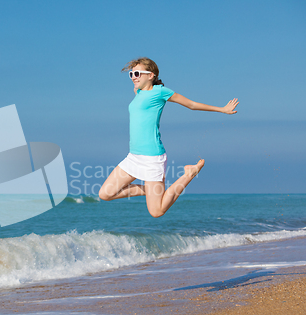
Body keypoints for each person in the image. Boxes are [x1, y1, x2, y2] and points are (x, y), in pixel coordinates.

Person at [98, 57, 238, 217]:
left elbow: (191, 105)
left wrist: (222, 109)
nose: (133, 77)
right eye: (131, 74)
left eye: (137, 73)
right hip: (133, 157)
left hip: (152, 158)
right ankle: (150, 191)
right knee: (105, 193)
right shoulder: (138, 92)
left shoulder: (160, 92)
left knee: (156, 211)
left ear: (151, 75)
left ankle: (189, 174)